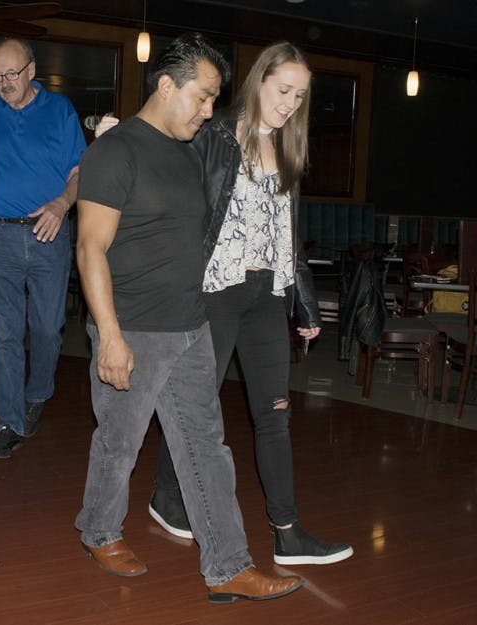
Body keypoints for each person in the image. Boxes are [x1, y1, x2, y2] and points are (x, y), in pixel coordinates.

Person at [74, 32, 302, 603]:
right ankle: (99, 531)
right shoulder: (116, 151)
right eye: (201, 97)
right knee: (120, 443)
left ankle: (228, 565)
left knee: (206, 448)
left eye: (214, 99)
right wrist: (109, 337)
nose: (207, 110)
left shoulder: (190, 150)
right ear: (166, 85)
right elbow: (90, 248)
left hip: (191, 324)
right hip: (133, 325)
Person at [148, 42, 354, 565]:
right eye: (283, 90)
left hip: (267, 296)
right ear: (259, 80)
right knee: (197, 406)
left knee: (274, 415)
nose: (290, 103)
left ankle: (287, 532)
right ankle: (167, 496)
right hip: (216, 291)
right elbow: (165, 165)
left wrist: (306, 303)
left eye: (300, 96)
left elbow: (288, 233)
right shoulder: (214, 133)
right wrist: (114, 135)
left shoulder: (288, 147)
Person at [0, 38, 86, 459]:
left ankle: (38, 393)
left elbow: (79, 171)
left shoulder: (60, 111)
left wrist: (62, 205)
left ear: (31, 71)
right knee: (5, 334)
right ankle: (9, 421)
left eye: (11, 74)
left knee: (46, 327)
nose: (4, 83)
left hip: (50, 234)